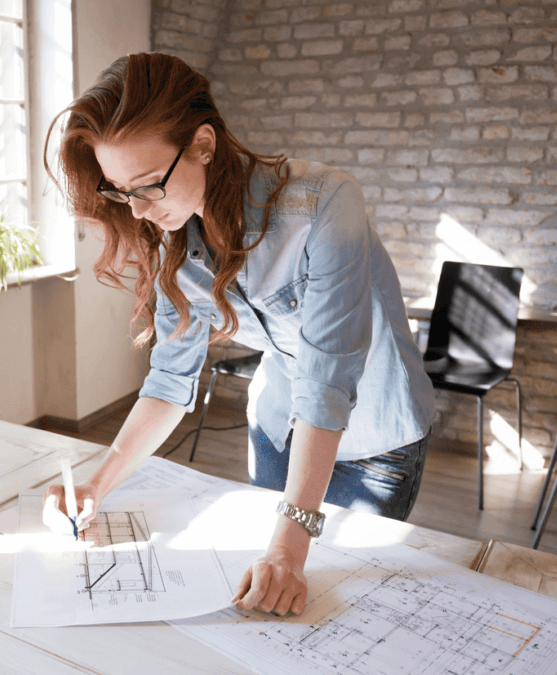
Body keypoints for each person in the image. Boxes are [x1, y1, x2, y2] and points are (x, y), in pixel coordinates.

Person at [41, 52, 435, 618]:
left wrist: (288, 545)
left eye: (149, 185)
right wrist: (97, 486)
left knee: (338, 606)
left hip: (374, 436)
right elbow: (170, 380)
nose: (140, 210)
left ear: (203, 144)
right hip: (278, 426)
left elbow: (327, 382)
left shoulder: (325, 203)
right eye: (121, 191)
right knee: (262, 609)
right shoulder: (170, 229)